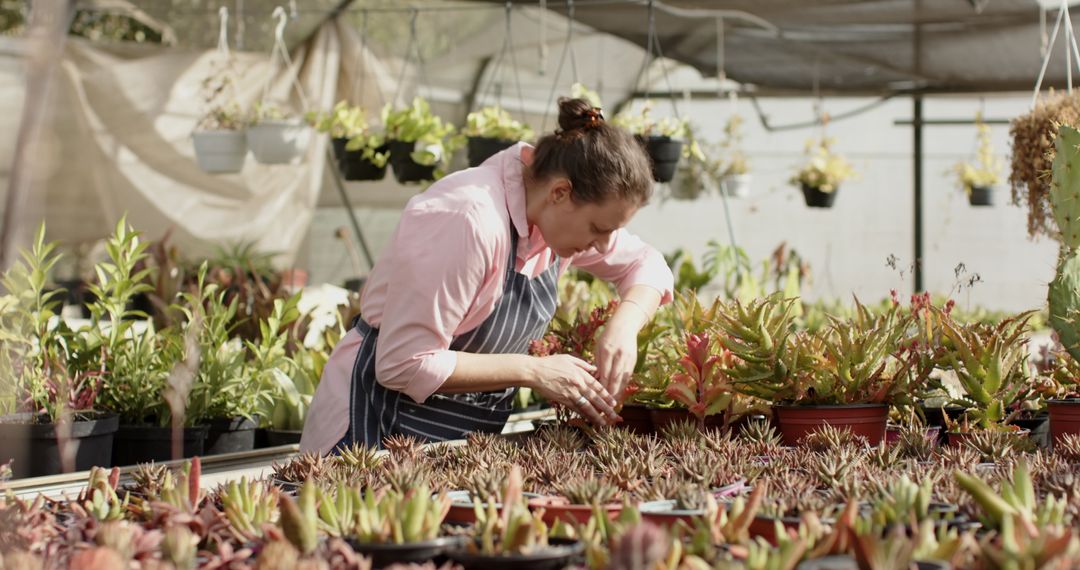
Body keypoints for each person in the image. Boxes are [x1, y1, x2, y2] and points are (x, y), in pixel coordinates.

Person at [300, 97, 674, 453]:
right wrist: (532, 371)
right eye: (598, 228)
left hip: (448, 443)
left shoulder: (547, 221)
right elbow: (402, 363)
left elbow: (647, 264)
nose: (603, 245)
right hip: (373, 431)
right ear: (561, 192)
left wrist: (624, 326)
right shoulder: (466, 219)